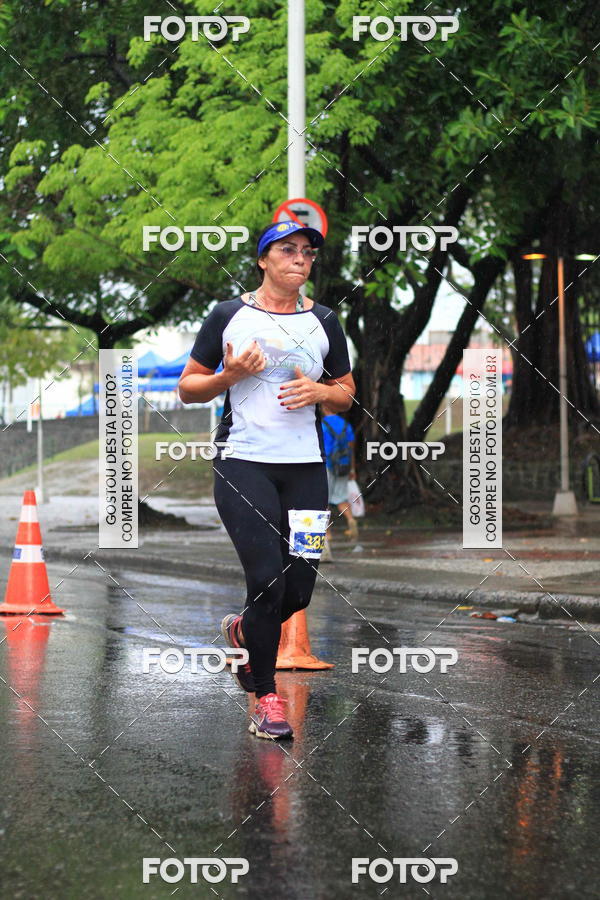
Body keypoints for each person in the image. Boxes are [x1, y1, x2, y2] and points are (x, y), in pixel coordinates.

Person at [178, 220, 355, 740]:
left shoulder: (325, 320)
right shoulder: (228, 316)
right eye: (287, 250)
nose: (299, 258)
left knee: (297, 590)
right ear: (263, 259)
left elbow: (346, 390)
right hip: (244, 466)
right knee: (267, 580)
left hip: (305, 470)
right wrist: (228, 377)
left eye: (307, 252)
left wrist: (321, 393)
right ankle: (266, 699)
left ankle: (239, 628)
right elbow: (189, 388)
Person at [320, 404, 358, 560]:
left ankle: (327, 533)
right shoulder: (345, 425)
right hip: (343, 464)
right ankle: (351, 520)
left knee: (324, 499)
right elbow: (351, 448)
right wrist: (352, 469)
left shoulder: (321, 425)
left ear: (324, 408)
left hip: (327, 464)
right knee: (341, 497)